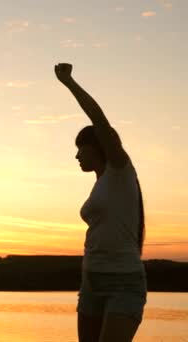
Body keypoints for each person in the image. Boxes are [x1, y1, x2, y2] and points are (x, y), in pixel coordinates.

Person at [55, 63, 147, 342]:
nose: (76, 156)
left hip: (124, 283)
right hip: (91, 281)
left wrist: (69, 82)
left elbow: (99, 120)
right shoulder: (100, 184)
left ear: (98, 146)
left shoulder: (120, 170)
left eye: (80, 148)